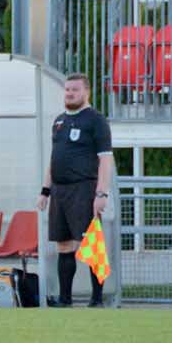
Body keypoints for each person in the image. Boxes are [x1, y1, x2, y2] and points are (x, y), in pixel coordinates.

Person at [37, 72, 113, 307]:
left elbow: (106, 160)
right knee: (63, 243)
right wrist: (45, 191)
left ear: (86, 92)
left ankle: (97, 299)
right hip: (60, 191)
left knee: (90, 242)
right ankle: (65, 299)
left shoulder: (95, 120)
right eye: (67, 89)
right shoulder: (59, 121)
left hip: (84, 189)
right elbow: (54, 159)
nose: (70, 93)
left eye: (75, 90)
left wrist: (101, 193)